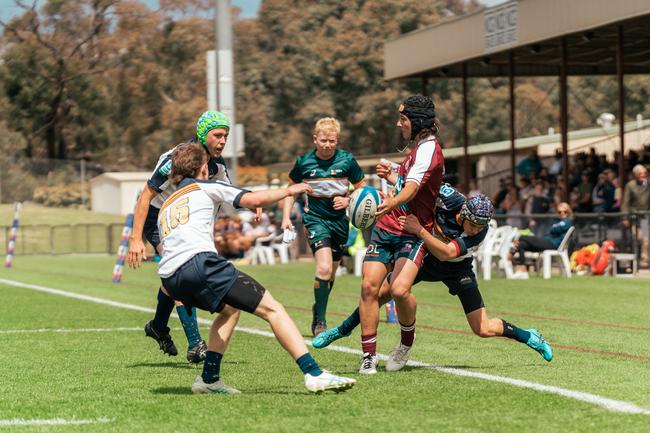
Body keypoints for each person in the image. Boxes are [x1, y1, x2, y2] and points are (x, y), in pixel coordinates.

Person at [158, 143, 356, 394]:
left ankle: (209, 380)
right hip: (200, 265)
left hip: (170, 278)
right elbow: (252, 198)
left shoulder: (167, 204)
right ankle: (314, 373)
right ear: (203, 168)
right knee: (273, 309)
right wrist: (290, 191)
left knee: (230, 311)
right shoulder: (205, 185)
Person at [312, 187, 553, 368]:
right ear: (463, 214)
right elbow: (417, 185)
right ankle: (341, 330)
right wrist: (388, 180)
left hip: (456, 269)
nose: (477, 230)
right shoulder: (450, 198)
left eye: (482, 226)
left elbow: (447, 252)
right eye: (474, 225)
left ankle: (529, 336)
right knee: (380, 294)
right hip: (427, 259)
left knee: (483, 328)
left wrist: (419, 230)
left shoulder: (478, 234)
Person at [128, 110, 239, 363]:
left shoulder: (217, 166)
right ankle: (196, 344)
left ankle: (158, 326)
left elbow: (229, 192)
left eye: (226, 136)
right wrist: (136, 239)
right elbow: (145, 196)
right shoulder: (175, 159)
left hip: (182, 221)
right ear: (202, 134)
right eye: (217, 135)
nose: (222, 141)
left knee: (174, 277)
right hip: (157, 218)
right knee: (179, 268)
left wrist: (252, 202)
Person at [356, 95, 444, 374]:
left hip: (413, 231)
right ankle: (368, 355)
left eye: (403, 119)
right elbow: (407, 183)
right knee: (369, 287)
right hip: (387, 228)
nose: (399, 124)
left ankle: (406, 342)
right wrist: (393, 178)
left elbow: (414, 188)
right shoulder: (417, 148)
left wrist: (391, 202)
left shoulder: (430, 149)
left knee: (398, 289)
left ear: (417, 122)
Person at [281, 118, 366, 336]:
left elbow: (362, 190)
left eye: (332, 141)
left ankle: (318, 308)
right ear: (315, 140)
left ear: (337, 141)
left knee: (332, 273)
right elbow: (290, 191)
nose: (327, 145)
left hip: (339, 223)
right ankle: (320, 320)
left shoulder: (347, 161)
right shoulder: (304, 162)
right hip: (315, 220)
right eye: (323, 140)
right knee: (324, 269)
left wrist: (348, 200)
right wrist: (286, 218)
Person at [510, 202, 574, 279]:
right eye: (559, 212)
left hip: (553, 244)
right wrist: (554, 227)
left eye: (565, 211)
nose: (562, 213)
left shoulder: (568, 221)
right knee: (522, 244)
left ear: (568, 212)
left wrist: (554, 227)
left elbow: (555, 229)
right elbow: (553, 229)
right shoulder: (557, 221)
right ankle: (523, 271)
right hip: (547, 242)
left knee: (521, 237)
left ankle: (510, 255)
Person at [621, 164, 650, 266]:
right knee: (635, 238)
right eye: (641, 174)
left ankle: (644, 259)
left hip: (645, 217)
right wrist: (624, 217)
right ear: (636, 175)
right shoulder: (630, 185)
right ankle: (634, 260)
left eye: (645, 173)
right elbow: (625, 202)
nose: (643, 175)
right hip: (634, 217)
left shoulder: (648, 184)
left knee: (645, 238)